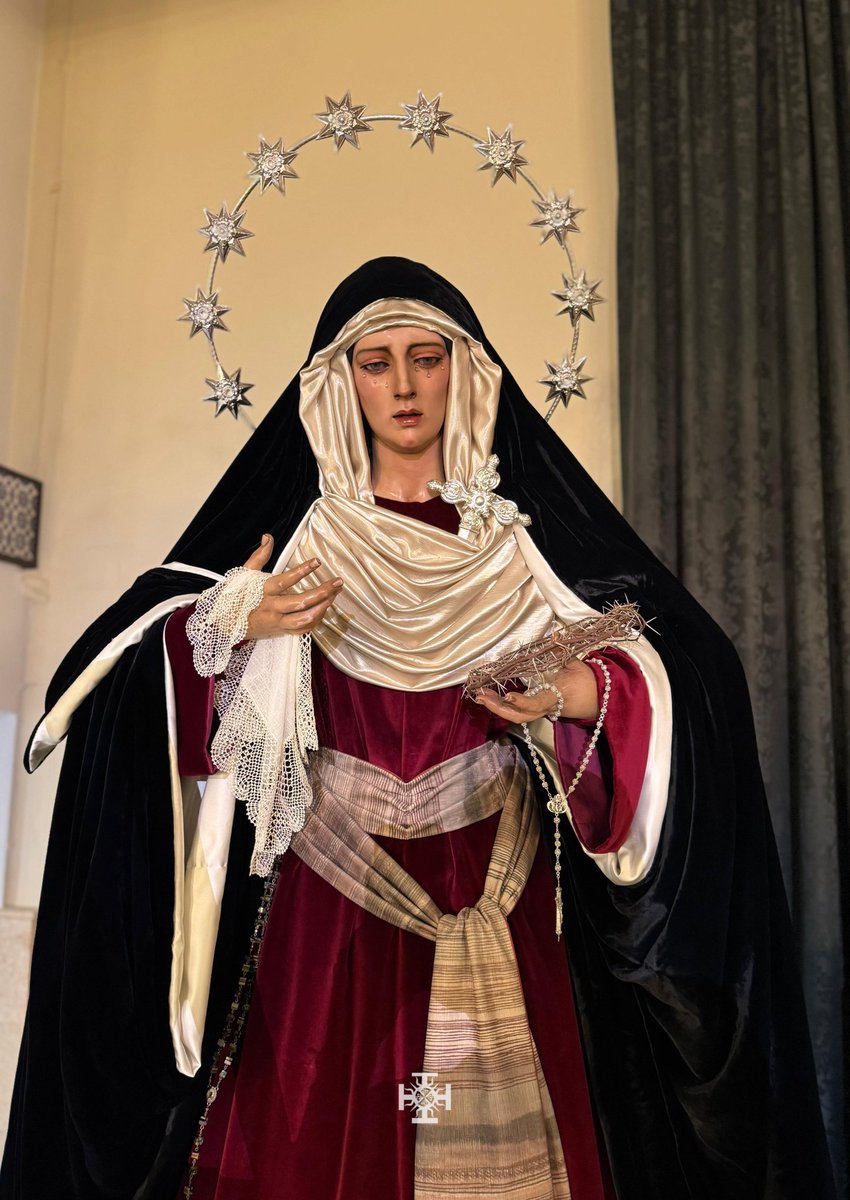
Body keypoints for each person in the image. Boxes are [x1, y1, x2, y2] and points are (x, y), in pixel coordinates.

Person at [0, 258, 835, 1200]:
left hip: (502, 891)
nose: (402, 386)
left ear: (464, 370)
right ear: (338, 383)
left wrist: (571, 691)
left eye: (426, 357)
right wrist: (238, 623)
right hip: (324, 922)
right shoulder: (301, 540)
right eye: (375, 362)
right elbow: (128, 689)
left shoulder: (520, 541)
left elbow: (690, 675)